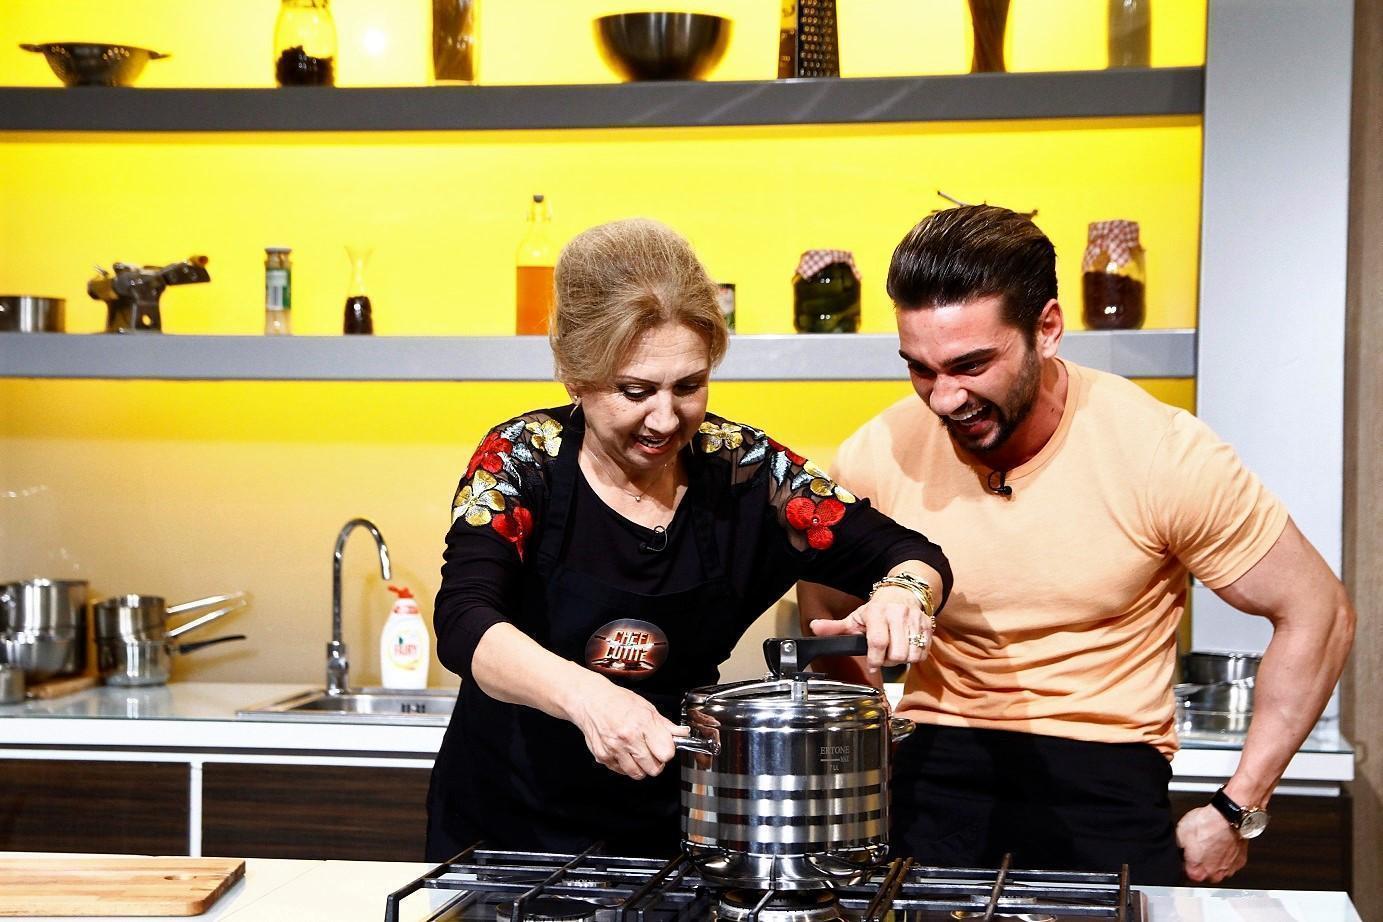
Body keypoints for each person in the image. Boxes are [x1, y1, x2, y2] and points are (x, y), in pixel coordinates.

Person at [798, 205, 1355, 885]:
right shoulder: (875, 453)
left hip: (1104, 774)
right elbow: (821, 606)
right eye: (919, 368)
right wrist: (870, 729)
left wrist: (1238, 807)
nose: (943, 399)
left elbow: (1318, 612)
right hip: (931, 771)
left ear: (1047, 329)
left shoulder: (1160, 452)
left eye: (971, 365)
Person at [427, 218, 952, 861]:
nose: (665, 418)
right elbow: (464, 620)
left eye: (689, 386)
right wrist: (590, 699)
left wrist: (904, 594)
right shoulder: (523, 459)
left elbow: (914, 555)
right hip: (503, 837)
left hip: (673, 836)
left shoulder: (747, 473)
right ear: (575, 376)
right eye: (635, 391)